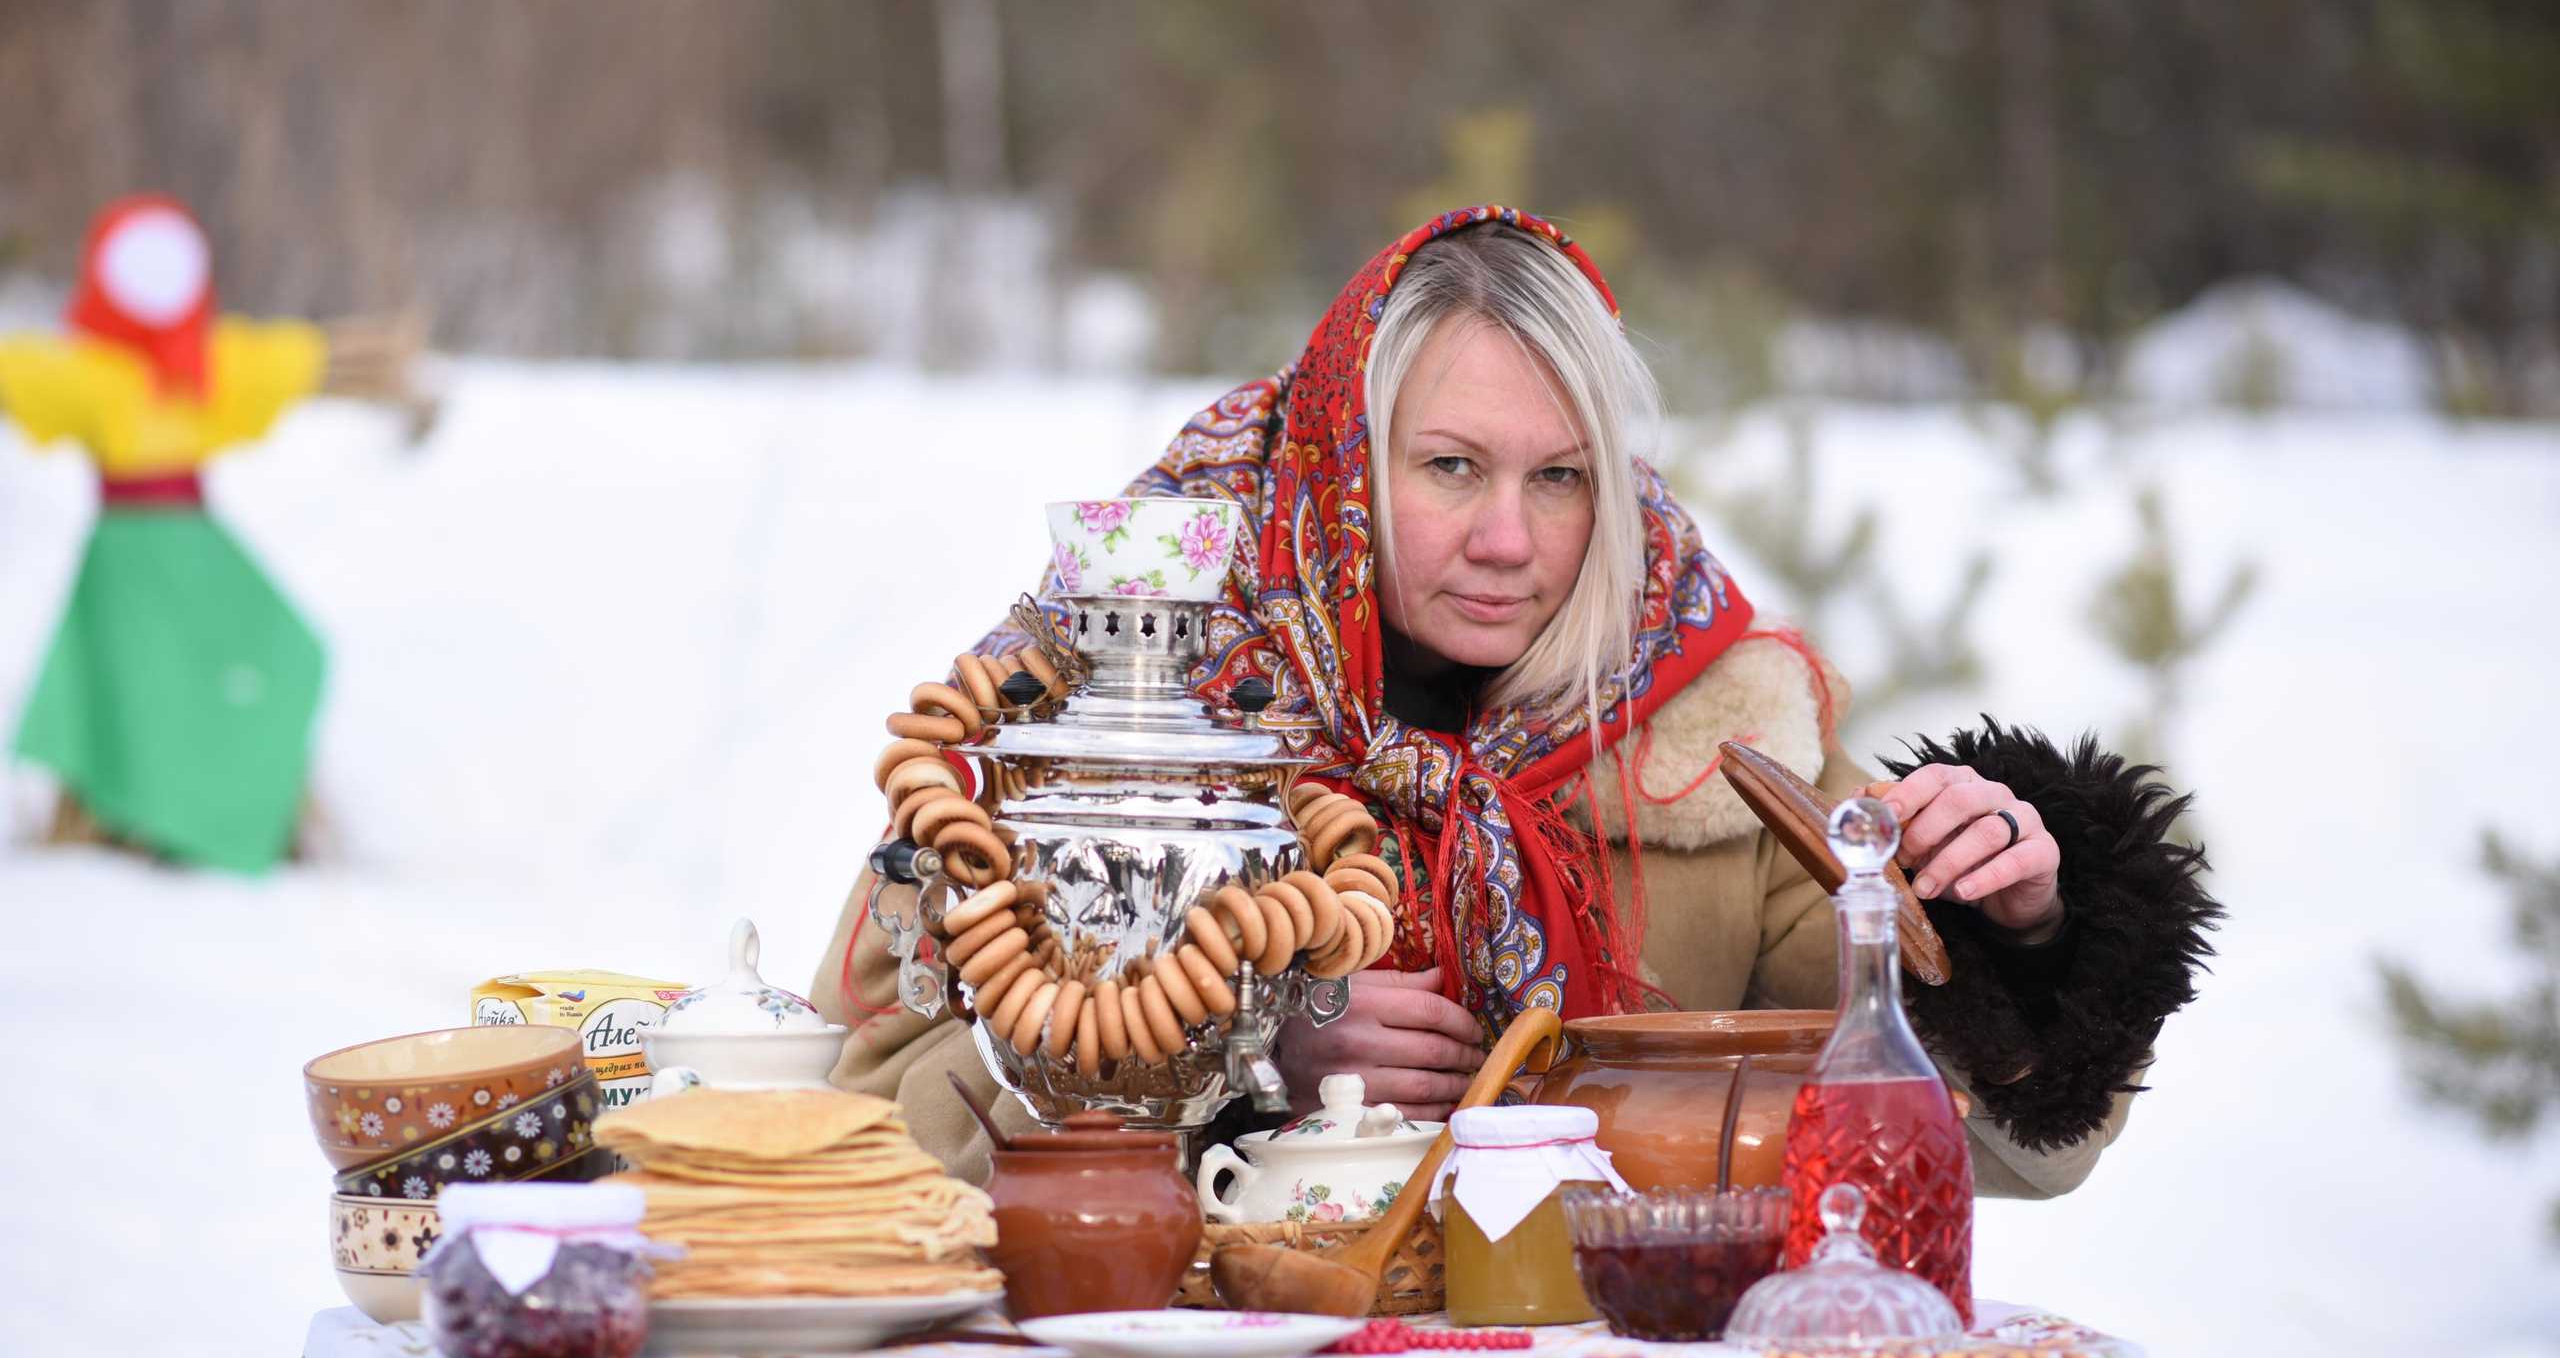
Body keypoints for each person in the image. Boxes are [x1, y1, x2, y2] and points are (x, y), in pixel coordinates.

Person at [810, 205, 2218, 1194]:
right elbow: (859, 1121)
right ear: (1344, 467)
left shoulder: (1711, 731)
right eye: (1451, 468)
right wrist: (1235, 1046)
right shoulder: (1107, 712)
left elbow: (1989, 1146)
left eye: (1560, 478)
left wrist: (2009, 922)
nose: (1510, 540)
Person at [0, 194, 421, 872]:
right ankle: (125, 820)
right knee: (135, 684)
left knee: (280, 649)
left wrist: (377, 369)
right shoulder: (89, 375)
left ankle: (239, 814)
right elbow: (21, 373)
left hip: (195, 548)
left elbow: (287, 359)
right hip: (128, 556)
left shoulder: (206, 365)